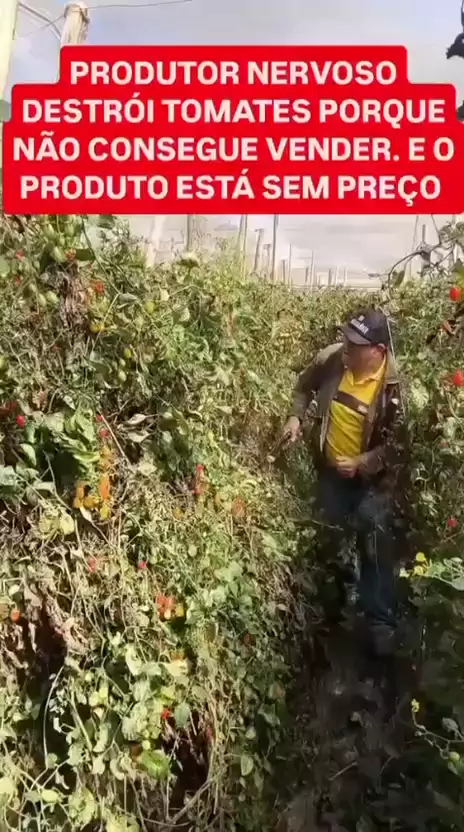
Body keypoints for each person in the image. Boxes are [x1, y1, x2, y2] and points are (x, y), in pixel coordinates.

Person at [282, 308, 401, 656]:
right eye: (347, 338)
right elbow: (304, 387)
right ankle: (336, 607)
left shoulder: (393, 388)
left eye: (356, 344)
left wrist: (363, 463)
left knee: (373, 545)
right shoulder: (334, 359)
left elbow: (398, 445)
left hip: (374, 481)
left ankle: (380, 624)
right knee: (330, 537)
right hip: (331, 473)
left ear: (378, 351)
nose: (347, 346)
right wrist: (294, 417)